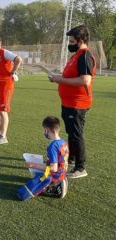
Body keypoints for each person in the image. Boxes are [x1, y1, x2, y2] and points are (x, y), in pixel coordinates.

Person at [49, 25, 96, 179]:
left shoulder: (85, 56)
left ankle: (80, 167)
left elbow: (85, 80)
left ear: (81, 40)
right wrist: (58, 78)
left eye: (72, 40)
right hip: (69, 103)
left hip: (78, 104)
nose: (70, 43)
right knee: (72, 133)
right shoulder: (77, 55)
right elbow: (70, 77)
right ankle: (71, 159)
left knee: (76, 135)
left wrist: (59, 79)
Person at [24, 116, 69, 199]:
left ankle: (55, 186)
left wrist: (33, 165)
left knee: (33, 189)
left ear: (47, 130)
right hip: (63, 172)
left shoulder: (53, 146)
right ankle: (60, 180)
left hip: (55, 175)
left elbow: (53, 168)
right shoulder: (63, 142)